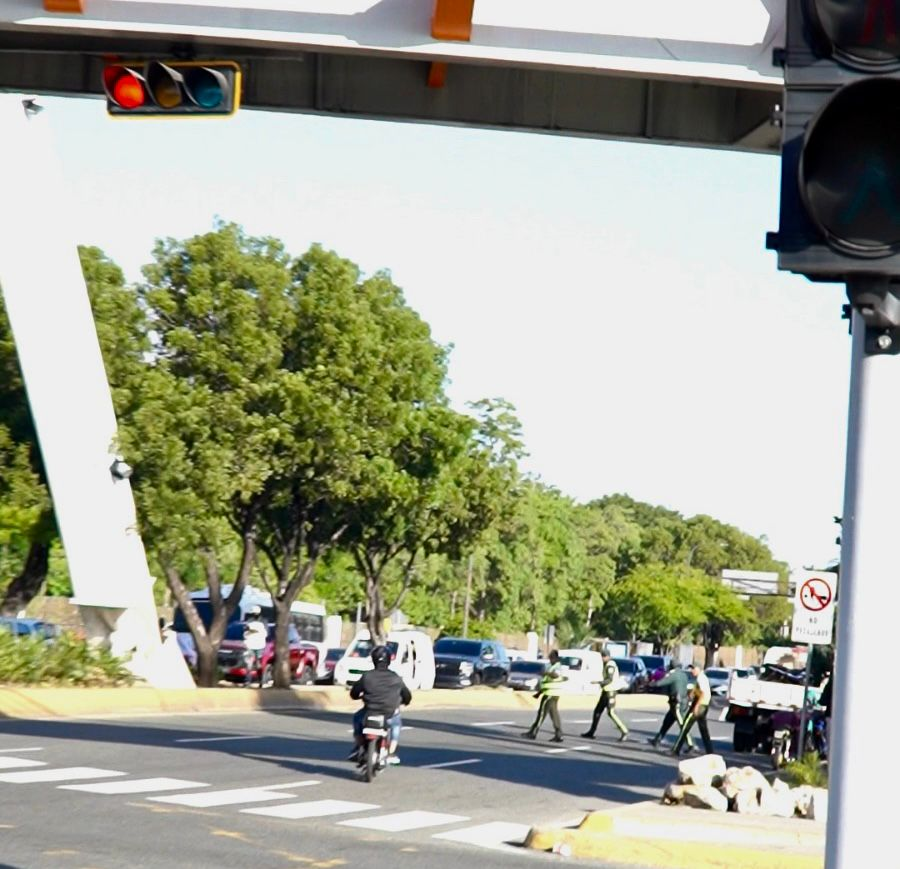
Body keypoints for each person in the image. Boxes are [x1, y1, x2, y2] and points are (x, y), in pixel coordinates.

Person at [349, 644, 412, 765]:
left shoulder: (367, 676)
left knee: (357, 718)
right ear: (388, 660)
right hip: (389, 713)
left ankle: (358, 746)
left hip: (369, 711)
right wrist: (405, 701)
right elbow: (407, 696)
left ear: (373, 659)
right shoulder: (396, 678)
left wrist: (358, 696)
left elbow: (354, 692)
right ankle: (391, 751)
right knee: (396, 724)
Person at [581, 648, 629, 742]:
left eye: (604, 656)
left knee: (611, 712)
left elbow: (609, 679)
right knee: (597, 711)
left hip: (610, 692)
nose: (602, 658)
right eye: (602, 656)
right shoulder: (606, 664)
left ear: (608, 656)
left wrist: (599, 682)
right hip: (606, 691)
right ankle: (591, 731)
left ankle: (624, 730)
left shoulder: (610, 665)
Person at [647, 662, 693, 750]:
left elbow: (662, 682)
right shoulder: (683, 674)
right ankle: (657, 739)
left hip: (677, 703)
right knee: (667, 722)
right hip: (680, 701)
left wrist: (652, 683)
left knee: (682, 724)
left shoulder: (674, 675)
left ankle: (691, 744)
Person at [525, 650, 566, 742]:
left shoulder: (557, 667)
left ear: (555, 658)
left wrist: (546, 673)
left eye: (551, 657)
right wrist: (539, 693)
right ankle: (559, 734)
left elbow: (556, 675)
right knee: (554, 715)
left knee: (541, 713)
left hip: (550, 694)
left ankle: (533, 732)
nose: (550, 659)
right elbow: (547, 682)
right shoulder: (553, 666)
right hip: (552, 693)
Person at [672, 663, 713, 755]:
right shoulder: (701, 678)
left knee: (685, 727)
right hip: (703, 705)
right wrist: (692, 693)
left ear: (699, 669)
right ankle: (710, 752)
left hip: (700, 705)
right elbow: (698, 691)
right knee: (703, 730)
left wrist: (696, 707)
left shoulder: (701, 678)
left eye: (693, 669)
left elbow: (703, 693)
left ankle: (675, 750)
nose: (692, 671)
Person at [242, 606, 268, 688]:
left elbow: (265, 634)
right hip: (251, 644)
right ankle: (248, 681)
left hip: (259, 645)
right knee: (249, 664)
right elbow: (245, 632)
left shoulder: (263, 622)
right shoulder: (250, 621)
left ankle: (260, 681)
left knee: (258, 664)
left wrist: (253, 631)